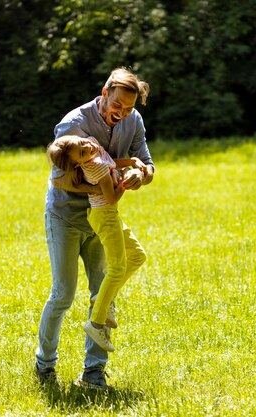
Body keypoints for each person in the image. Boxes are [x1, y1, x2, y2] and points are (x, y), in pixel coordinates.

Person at [35, 68, 155, 389]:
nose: (123, 113)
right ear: (104, 93)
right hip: (66, 217)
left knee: (101, 292)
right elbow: (60, 179)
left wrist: (140, 175)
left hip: (102, 220)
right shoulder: (73, 124)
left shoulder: (133, 121)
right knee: (63, 294)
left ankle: (94, 373)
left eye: (129, 108)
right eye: (118, 104)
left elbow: (145, 161)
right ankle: (44, 366)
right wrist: (102, 185)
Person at [46, 135, 147, 353]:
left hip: (110, 215)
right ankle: (96, 323)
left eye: (84, 143)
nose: (88, 147)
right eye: (82, 152)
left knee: (138, 256)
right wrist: (124, 183)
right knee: (118, 268)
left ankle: (103, 296)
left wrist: (131, 162)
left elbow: (110, 160)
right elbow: (111, 198)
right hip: (104, 216)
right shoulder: (95, 169)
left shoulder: (92, 146)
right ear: (77, 164)